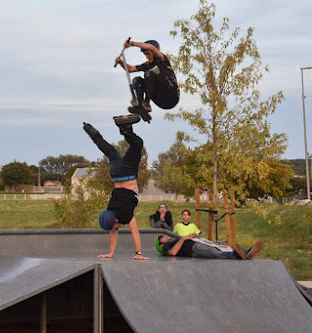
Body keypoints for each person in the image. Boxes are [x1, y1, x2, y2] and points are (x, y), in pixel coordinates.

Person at [83, 114, 149, 260]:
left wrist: (138, 253)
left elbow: (135, 232)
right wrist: (110, 254)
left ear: (115, 222)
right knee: (106, 148)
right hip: (115, 172)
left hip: (128, 173)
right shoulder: (110, 208)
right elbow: (113, 231)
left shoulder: (125, 215)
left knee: (137, 143)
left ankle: (125, 129)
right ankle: (89, 128)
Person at [115, 39, 180, 114]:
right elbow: (131, 69)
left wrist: (132, 43)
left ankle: (146, 104)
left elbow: (151, 47)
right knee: (137, 80)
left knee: (149, 73)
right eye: (145, 54)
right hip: (160, 100)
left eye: (148, 53)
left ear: (154, 52)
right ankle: (140, 106)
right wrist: (120, 62)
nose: (147, 57)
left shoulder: (162, 60)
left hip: (171, 95)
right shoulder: (147, 65)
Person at [156, 234, 264, 260]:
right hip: (194, 248)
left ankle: (248, 252)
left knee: (219, 248)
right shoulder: (166, 247)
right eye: (163, 237)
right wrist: (184, 238)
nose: (166, 236)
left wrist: (192, 236)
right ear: (160, 244)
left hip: (197, 243)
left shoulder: (174, 241)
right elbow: (172, 253)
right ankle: (238, 255)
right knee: (215, 253)